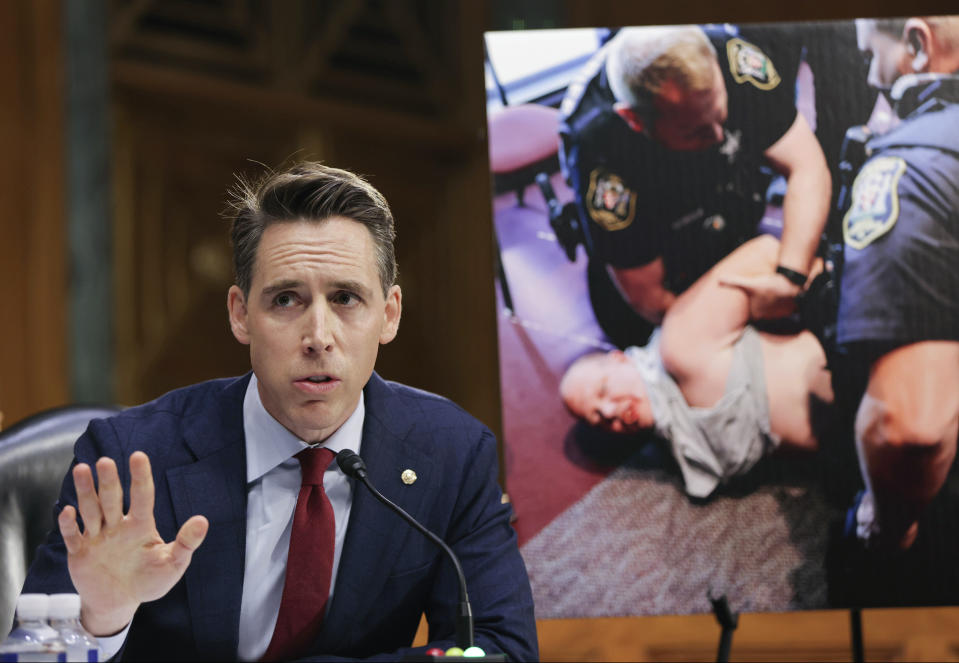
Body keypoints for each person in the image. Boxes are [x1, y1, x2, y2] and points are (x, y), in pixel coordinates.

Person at [19, 163, 538, 660]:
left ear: (389, 313)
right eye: (286, 299)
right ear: (240, 314)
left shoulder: (451, 453)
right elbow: (33, 656)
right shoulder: (132, 458)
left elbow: (500, 649)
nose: (318, 337)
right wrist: (101, 619)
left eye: (346, 298)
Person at [559, 25, 831, 326]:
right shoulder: (598, 141)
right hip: (659, 269)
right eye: (696, 132)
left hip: (729, 222)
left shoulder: (732, 59)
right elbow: (649, 299)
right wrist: (741, 321)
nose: (718, 136)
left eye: (720, 113)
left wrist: (789, 278)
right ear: (634, 120)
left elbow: (806, 165)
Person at [561, 234, 834, 498]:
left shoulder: (678, 344)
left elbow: (766, 254)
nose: (609, 411)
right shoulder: (675, 438)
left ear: (619, 359)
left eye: (604, 389)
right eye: (597, 418)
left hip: (855, 380)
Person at [836, 16, 959, 551]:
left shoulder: (912, 170)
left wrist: (888, 526)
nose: (870, 78)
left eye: (871, 56)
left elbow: (907, 427)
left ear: (916, 42)